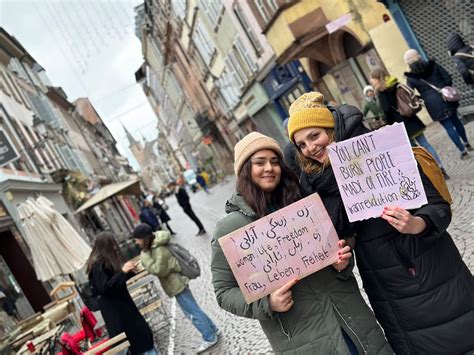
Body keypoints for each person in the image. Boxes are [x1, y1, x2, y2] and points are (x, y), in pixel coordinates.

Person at [287, 91, 474, 354]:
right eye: (302, 145)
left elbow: (439, 208)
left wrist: (416, 224)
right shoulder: (314, 183)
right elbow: (339, 239)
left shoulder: (382, 152)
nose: (310, 148)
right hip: (383, 288)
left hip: (430, 274)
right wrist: (340, 255)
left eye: (314, 136)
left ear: (332, 129)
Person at [211, 132, 392, 354]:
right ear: (245, 171)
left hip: (350, 316)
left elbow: (339, 245)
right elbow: (224, 292)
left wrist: (344, 262)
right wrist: (267, 303)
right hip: (303, 337)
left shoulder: (303, 203)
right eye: (260, 162)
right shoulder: (231, 228)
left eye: (275, 162)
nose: (269, 168)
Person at [132, 224, 220, 354]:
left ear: (144, 238)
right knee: (194, 309)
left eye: (137, 239)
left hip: (177, 285)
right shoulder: (155, 247)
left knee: (192, 313)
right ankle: (213, 330)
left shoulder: (158, 250)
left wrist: (144, 257)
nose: (136, 242)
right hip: (177, 283)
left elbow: (159, 270)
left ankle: (209, 337)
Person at [86, 231, 157, 355]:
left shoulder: (104, 261)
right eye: (112, 244)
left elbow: (115, 282)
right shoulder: (97, 264)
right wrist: (123, 272)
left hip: (123, 306)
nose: (115, 247)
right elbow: (105, 288)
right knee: (139, 340)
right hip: (117, 312)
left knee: (141, 339)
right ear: (106, 246)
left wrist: (129, 272)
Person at [369, 68, 449, 178]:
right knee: (425, 144)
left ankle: (429, 173)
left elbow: (387, 110)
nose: (371, 80)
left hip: (400, 125)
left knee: (414, 150)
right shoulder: (395, 84)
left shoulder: (381, 92)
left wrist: (388, 126)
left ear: (378, 78)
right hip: (411, 119)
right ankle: (440, 167)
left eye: (372, 78)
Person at [404, 49, 472, 160]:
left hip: (432, 104)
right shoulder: (433, 65)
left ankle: (463, 151)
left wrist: (422, 97)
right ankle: (466, 143)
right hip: (446, 97)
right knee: (456, 120)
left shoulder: (411, 77)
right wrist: (444, 88)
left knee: (449, 127)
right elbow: (448, 78)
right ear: (420, 56)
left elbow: (410, 93)